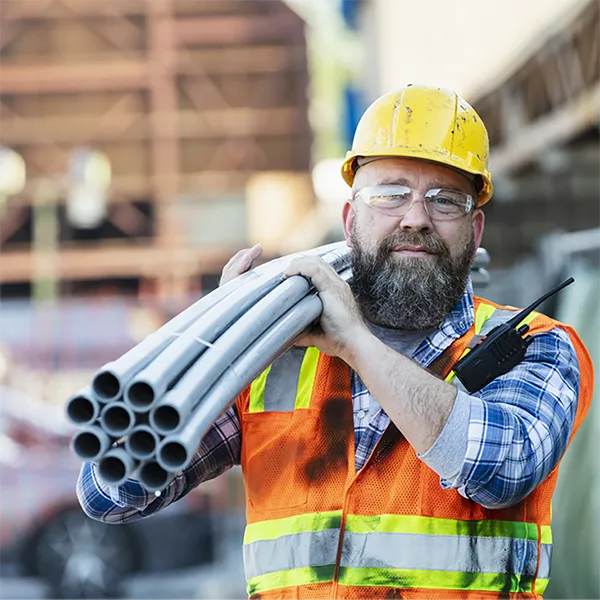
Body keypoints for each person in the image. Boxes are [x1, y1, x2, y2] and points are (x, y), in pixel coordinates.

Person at [77, 85, 593, 599]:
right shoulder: (276, 357)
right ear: (350, 221)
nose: (415, 217)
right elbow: (112, 494)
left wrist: (354, 343)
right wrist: (217, 348)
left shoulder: (539, 347)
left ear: (475, 231)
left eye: (444, 200)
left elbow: (503, 468)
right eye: (389, 194)